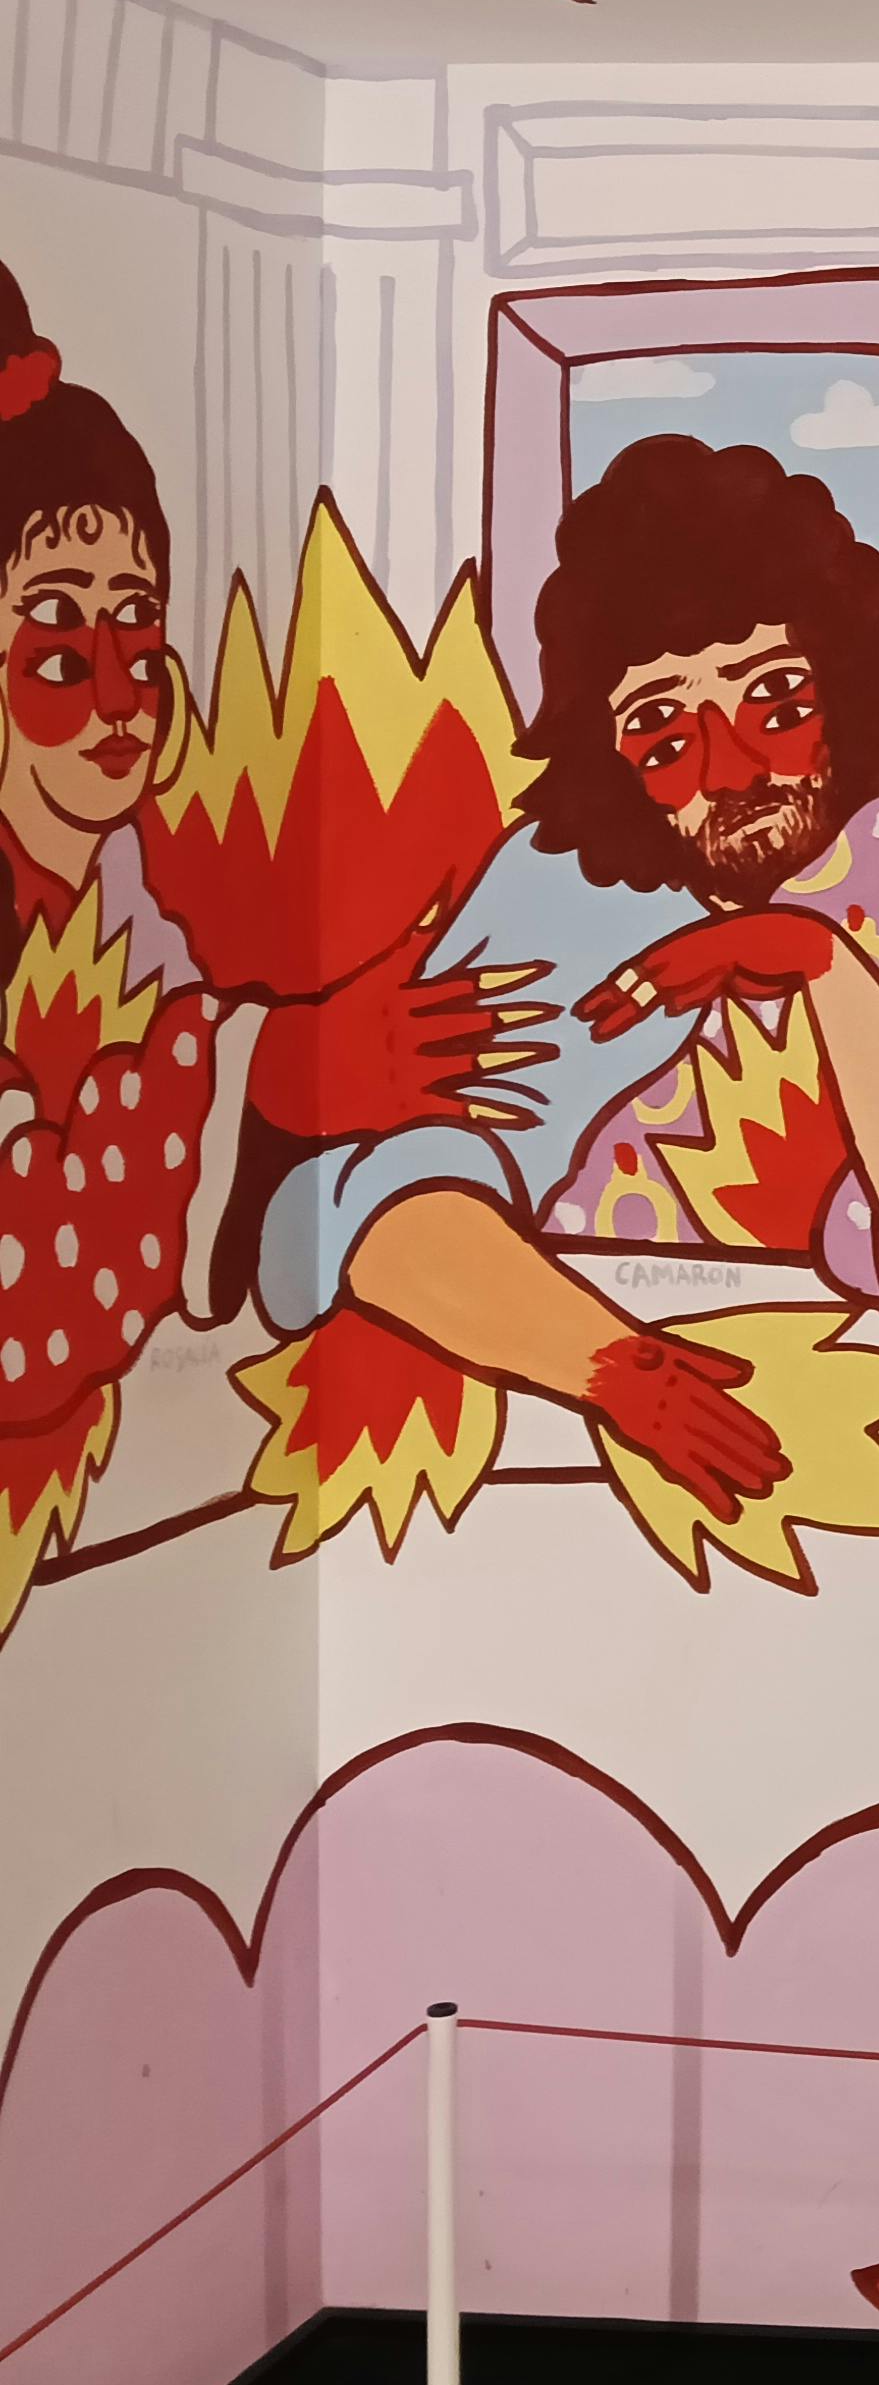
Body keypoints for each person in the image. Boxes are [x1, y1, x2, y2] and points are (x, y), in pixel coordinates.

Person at [253, 437, 879, 1518]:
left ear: (843, 689)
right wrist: (611, 1368)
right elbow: (369, 1202)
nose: (732, 771)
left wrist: (821, 964)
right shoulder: (560, 899)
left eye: (773, 702)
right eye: (661, 730)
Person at [0, 271, 512, 1605]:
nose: (120, 695)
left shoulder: (126, 885)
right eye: (56, 651)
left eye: (138, 628)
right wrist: (271, 1067)